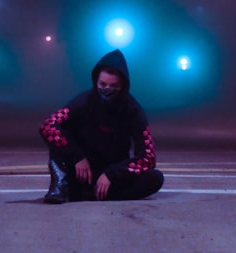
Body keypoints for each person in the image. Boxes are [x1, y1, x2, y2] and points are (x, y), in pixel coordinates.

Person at [39, 48, 164, 203]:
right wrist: (77, 156)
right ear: (96, 81)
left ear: (123, 86)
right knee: (57, 135)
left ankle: (80, 195)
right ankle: (60, 186)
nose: (107, 90)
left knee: (155, 178)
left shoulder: (133, 110)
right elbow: (48, 126)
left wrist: (112, 174)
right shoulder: (84, 101)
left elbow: (148, 157)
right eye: (103, 84)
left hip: (111, 175)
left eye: (114, 86)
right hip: (81, 171)